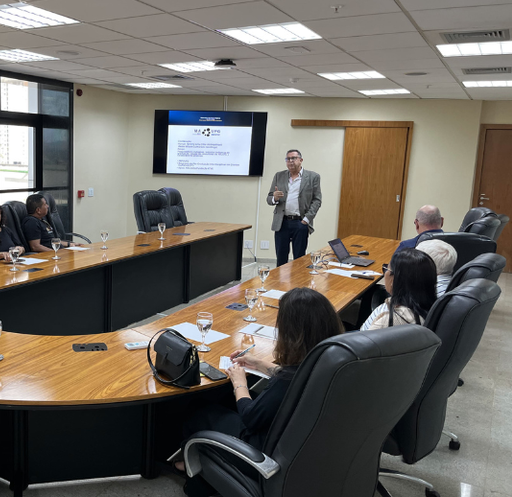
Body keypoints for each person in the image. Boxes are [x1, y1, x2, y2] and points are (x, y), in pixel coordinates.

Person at [175, 287, 344, 477]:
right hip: (297, 442)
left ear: (293, 334)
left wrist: (239, 383)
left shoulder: (284, 382)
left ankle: (193, 465)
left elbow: (250, 417)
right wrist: (259, 364)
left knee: (198, 410)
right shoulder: (328, 362)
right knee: (225, 398)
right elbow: (291, 375)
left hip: (261, 454)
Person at [267, 150, 322, 266]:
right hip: (282, 223)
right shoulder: (279, 176)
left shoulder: (313, 177)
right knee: (281, 258)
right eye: (288, 159)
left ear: (301, 160)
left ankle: (298, 278)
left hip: (300, 222)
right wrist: (274, 198)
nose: (290, 161)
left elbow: (317, 200)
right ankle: (280, 278)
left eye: (293, 158)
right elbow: (269, 198)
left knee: (299, 259)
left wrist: (306, 219)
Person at [361, 249, 437, 331]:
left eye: (386, 269)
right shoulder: (434, 307)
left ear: (394, 279)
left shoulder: (389, 321)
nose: (385, 273)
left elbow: (363, 339)